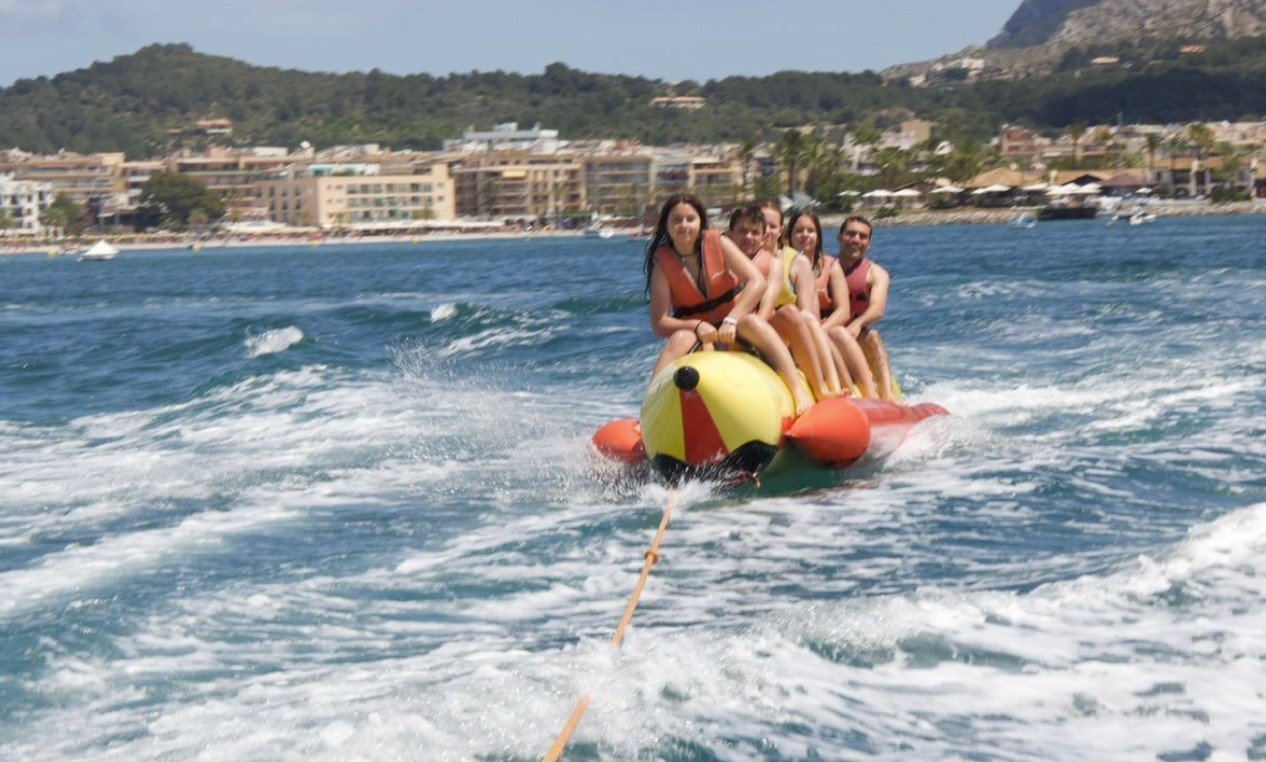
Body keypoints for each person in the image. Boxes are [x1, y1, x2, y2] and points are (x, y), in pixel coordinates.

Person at [644, 194, 814, 415]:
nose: (684, 225)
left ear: (700, 222)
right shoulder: (662, 264)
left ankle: (796, 388)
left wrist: (731, 319)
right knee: (679, 338)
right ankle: (649, 410)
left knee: (751, 322)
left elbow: (757, 282)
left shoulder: (719, 243)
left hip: (735, 329)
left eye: (690, 219)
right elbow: (660, 323)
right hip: (700, 336)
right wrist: (696, 326)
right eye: (676, 220)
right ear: (666, 225)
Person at [724, 205, 836, 401]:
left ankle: (818, 388)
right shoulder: (720, 262)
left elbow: (766, 308)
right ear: (730, 234)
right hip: (726, 333)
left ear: (763, 236)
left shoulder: (773, 263)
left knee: (790, 312)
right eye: (742, 231)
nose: (748, 237)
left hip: (756, 329)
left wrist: (755, 337)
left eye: (754, 232)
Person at [785, 208, 879, 399]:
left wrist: (820, 329)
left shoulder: (830, 266)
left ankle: (868, 395)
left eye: (810, 231)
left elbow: (843, 310)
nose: (805, 235)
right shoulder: (781, 264)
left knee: (837, 333)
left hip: (823, 330)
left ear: (818, 237)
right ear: (789, 235)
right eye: (798, 230)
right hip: (792, 334)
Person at [822, 215, 895, 400]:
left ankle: (887, 397)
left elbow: (877, 308)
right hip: (824, 334)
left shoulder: (877, 274)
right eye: (851, 234)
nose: (856, 240)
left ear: (868, 244)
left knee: (872, 336)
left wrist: (858, 323)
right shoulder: (823, 267)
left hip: (855, 338)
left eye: (862, 236)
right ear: (839, 237)